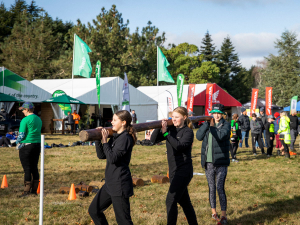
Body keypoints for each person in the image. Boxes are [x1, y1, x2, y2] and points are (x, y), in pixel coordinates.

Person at [151, 107, 198, 225]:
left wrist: (166, 133)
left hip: (183, 171)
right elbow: (153, 140)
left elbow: (179, 146)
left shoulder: (188, 132)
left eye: (177, 117)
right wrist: (159, 126)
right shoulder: (170, 129)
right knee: (185, 203)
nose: (174, 119)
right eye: (173, 117)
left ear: (184, 117)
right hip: (173, 171)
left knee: (170, 201)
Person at [88, 110, 136, 225]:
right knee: (94, 210)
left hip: (120, 185)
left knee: (123, 221)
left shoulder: (125, 138)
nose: (112, 122)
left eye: (115, 120)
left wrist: (105, 141)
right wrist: (98, 138)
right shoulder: (115, 136)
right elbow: (102, 155)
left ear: (123, 122)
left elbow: (113, 158)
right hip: (110, 184)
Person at [196, 103, 230, 225]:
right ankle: (214, 212)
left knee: (220, 187)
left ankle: (223, 215)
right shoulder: (207, 124)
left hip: (221, 162)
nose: (216, 115)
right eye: (214, 113)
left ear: (222, 114)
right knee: (211, 188)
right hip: (208, 162)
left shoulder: (226, 125)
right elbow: (198, 137)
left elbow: (220, 136)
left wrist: (211, 127)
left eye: (218, 113)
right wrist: (206, 125)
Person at [16, 102, 42, 197]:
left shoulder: (25, 120)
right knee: (34, 167)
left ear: (27, 110)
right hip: (37, 144)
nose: (22, 111)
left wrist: (16, 141)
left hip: (26, 145)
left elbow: (22, 134)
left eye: (23, 109)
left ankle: (26, 191)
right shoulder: (38, 119)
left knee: (27, 169)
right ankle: (34, 190)